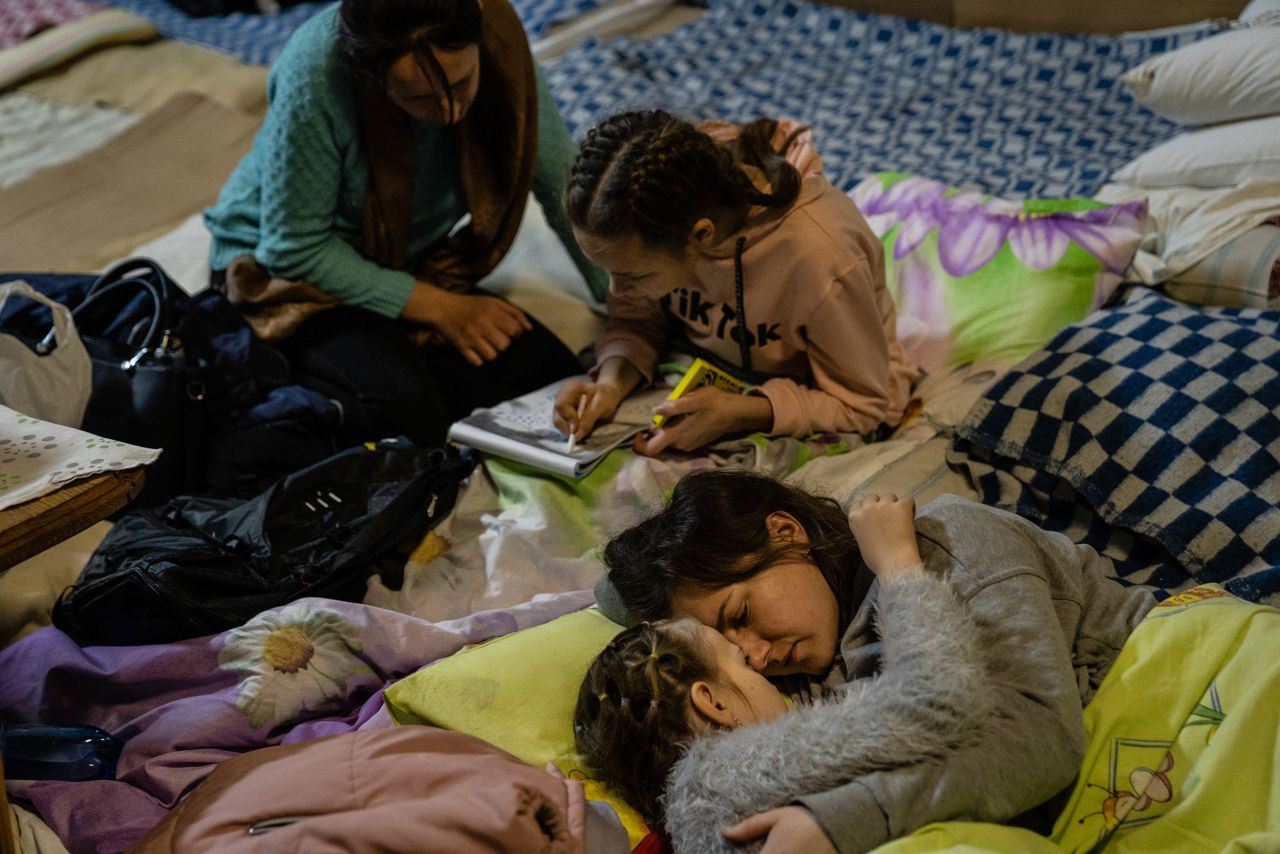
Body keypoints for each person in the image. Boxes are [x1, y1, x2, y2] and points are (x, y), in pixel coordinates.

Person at [591, 470, 1159, 853]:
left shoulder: (944, 542)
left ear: (786, 533)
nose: (757, 656)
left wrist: (834, 824)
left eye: (741, 612)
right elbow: (611, 599)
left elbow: (1037, 736)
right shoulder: (811, 673)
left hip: (1179, 678)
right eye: (734, 650)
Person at [204, 0, 607, 452]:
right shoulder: (316, 71)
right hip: (281, 276)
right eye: (419, 98)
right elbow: (292, 248)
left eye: (461, 83)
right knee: (410, 425)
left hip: (403, 260)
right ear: (373, 78)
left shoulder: (499, 39)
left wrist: (627, 301)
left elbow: (560, 183)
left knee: (551, 380)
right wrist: (442, 309)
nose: (451, 111)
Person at [574, 494, 992, 848]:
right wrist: (899, 566)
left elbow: (610, 592)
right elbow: (934, 701)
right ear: (711, 701)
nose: (758, 659)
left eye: (741, 613)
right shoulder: (730, 771)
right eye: (738, 660)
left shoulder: (689, 821)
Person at [552, 110, 918, 457]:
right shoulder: (653, 214)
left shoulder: (822, 259)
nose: (615, 292)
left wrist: (744, 412)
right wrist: (612, 381)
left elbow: (866, 404)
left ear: (701, 235)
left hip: (825, 398)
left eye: (634, 276)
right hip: (707, 371)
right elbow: (634, 320)